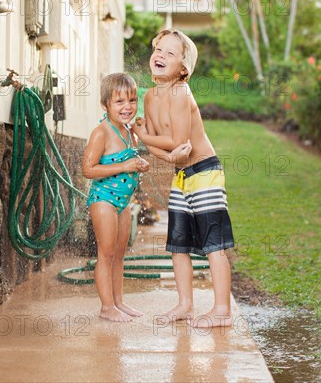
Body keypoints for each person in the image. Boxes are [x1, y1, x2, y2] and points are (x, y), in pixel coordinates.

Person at [133, 29, 235, 328]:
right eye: (158, 49)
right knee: (178, 245)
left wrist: (145, 136)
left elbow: (175, 138)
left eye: (170, 52)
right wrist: (164, 154)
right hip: (181, 175)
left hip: (204, 171)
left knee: (213, 244)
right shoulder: (150, 96)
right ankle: (185, 305)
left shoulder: (180, 92)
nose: (160, 55)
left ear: (183, 68)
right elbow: (155, 144)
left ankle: (222, 310)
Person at [82, 72, 150, 322]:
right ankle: (106, 306)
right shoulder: (102, 132)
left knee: (120, 254)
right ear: (105, 105)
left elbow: (127, 160)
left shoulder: (128, 132)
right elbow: (88, 169)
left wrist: (139, 163)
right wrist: (125, 167)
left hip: (122, 203)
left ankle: (118, 301)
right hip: (104, 201)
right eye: (119, 102)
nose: (127, 107)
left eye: (132, 100)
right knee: (106, 253)